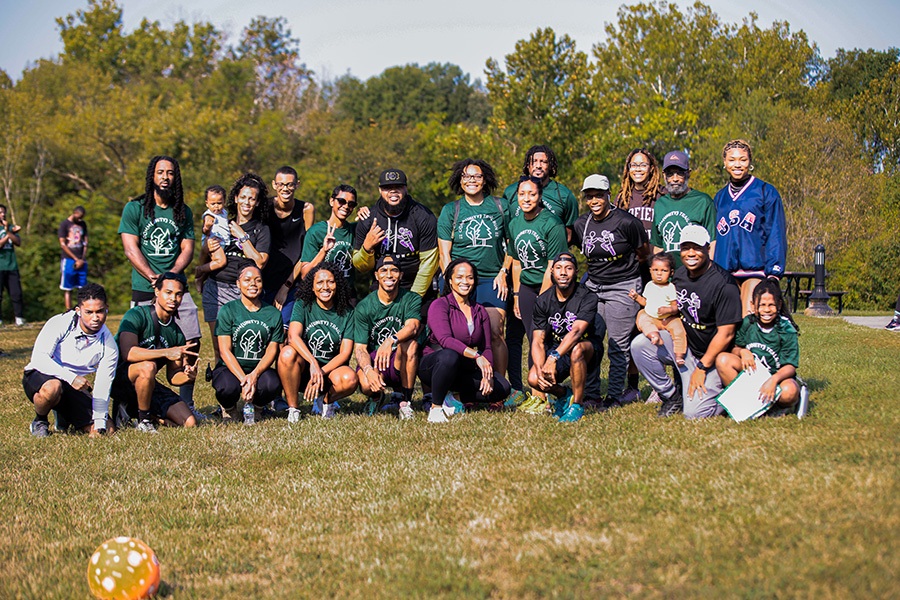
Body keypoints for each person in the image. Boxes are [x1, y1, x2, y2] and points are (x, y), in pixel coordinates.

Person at [118, 155, 203, 417]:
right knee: (140, 345)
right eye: (160, 172)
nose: (165, 177)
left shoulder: (183, 211)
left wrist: (171, 276)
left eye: (170, 173)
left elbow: (187, 248)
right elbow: (130, 248)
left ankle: (185, 400)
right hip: (145, 285)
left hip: (176, 284)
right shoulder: (135, 208)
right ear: (151, 177)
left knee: (191, 338)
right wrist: (153, 276)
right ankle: (131, 401)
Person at [630, 225, 742, 419]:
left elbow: (727, 334)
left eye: (697, 247)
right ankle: (672, 396)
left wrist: (702, 367)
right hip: (685, 349)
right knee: (640, 345)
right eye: (686, 247)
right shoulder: (679, 276)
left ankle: (728, 392)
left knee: (695, 414)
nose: (691, 253)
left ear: (708, 249)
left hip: (712, 358)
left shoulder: (724, 284)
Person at [571, 174, 649, 409]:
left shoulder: (626, 222)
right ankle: (592, 393)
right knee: (592, 340)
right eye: (589, 196)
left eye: (598, 195)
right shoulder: (581, 224)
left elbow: (643, 252)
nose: (594, 200)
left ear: (608, 195)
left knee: (618, 343)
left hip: (623, 286)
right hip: (593, 286)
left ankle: (614, 395)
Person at [438, 159, 510, 380]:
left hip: (491, 278)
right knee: (458, 335)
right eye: (467, 176)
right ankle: (462, 386)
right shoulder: (452, 210)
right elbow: (444, 254)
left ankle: (499, 387)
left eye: (477, 176)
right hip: (460, 281)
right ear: (460, 180)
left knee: (496, 331)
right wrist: (453, 284)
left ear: (485, 179)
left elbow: (513, 244)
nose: (472, 181)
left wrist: (503, 272)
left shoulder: (500, 206)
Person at [419, 259, 511, 423]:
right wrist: (477, 356)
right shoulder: (439, 305)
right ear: (450, 280)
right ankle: (436, 408)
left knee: (502, 387)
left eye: (469, 277)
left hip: (463, 367)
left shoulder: (479, 310)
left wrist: (487, 373)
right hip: (435, 364)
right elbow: (445, 340)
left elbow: (487, 347)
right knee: (449, 356)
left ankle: (453, 398)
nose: (465, 282)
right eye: (459, 277)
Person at [22, 283, 117, 438]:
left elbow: (103, 385)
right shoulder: (60, 323)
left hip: (74, 387)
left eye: (100, 311)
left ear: (107, 308)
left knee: (108, 430)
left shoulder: (109, 344)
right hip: (43, 375)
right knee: (53, 387)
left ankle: (64, 416)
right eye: (89, 312)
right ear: (78, 311)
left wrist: (100, 424)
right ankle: (40, 421)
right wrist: (70, 377)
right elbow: (39, 359)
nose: (95, 318)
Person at [111, 272, 200, 433]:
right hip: (118, 379)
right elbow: (128, 353)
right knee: (148, 366)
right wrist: (166, 353)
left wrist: (188, 376)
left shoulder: (177, 333)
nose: (173, 298)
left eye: (178, 294)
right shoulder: (137, 315)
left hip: (147, 382)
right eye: (168, 292)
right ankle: (144, 420)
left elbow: (173, 376)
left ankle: (135, 410)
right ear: (157, 292)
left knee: (189, 422)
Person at [196, 173, 271, 362]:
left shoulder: (261, 229)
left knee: (240, 345)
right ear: (236, 198)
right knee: (218, 346)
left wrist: (242, 236)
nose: (247, 202)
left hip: (243, 293)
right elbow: (205, 251)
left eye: (252, 198)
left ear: (257, 202)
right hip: (215, 288)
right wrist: (204, 258)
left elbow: (260, 261)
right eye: (243, 197)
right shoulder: (222, 222)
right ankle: (223, 385)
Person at [508, 176, 569, 401]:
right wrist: (516, 294)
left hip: (549, 287)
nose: (527, 198)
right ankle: (538, 394)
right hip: (525, 286)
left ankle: (546, 391)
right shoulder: (514, 224)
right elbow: (516, 261)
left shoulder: (552, 223)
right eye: (522, 194)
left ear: (540, 196)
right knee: (531, 338)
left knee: (541, 338)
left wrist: (543, 300)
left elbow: (553, 266)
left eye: (532, 194)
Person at [713, 139, 788, 316]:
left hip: (754, 269)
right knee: (728, 323)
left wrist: (774, 271)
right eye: (732, 160)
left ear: (750, 162)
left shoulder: (765, 191)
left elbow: (775, 232)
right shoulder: (720, 197)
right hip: (725, 271)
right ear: (724, 163)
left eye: (743, 160)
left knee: (748, 317)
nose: (737, 164)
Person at [526, 252, 602, 423]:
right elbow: (537, 339)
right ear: (552, 272)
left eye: (568, 268)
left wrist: (553, 358)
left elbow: (576, 332)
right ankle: (563, 395)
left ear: (576, 272)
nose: (563, 273)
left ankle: (577, 405)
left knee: (576, 349)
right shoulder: (543, 300)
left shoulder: (587, 296)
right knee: (533, 378)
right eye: (559, 268)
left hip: (587, 347)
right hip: (558, 348)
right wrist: (540, 369)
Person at [278, 262, 357, 422]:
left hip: (330, 371)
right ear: (312, 287)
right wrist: (313, 363)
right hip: (304, 369)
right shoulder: (303, 304)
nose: (325, 287)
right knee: (287, 353)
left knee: (350, 378)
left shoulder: (347, 312)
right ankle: (294, 409)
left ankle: (325, 401)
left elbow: (345, 353)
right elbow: (293, 337)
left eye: (330, 281)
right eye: (319, 283)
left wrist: (321, 372)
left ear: (338, 284)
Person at [716, 279, 803, 415]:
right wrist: (743, 351)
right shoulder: (748, 323)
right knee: (723, 359)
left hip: (776, 377)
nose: (766, 310)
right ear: (753, 305)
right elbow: (734, 348)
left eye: (771, 305)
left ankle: (776, 408)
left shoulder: (786, 328)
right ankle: (745, 403)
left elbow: (790, 367)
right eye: (762, 305)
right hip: (751, 375)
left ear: (779, 305)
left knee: (789, 391)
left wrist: (773, 380)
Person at [211, 265, 284, 425]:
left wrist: (254, 375)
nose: (253, 284)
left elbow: (272, 350)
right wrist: (244, 379)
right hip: (230, 368)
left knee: (273, 384)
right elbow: (224, 350)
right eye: (247, 280)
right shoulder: (227, 310)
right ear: (238, 284)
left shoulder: (273, 313)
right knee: (227, 388)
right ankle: (229, 409)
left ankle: (258, 408)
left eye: (258, 280)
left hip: (258, 368)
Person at [353, 256, 421, 419]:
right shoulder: (364, 306)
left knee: (410, 345)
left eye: (394, 270)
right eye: (383, 270)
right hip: (378, 360)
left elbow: (412, 327)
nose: (389, 275)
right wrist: (368, 370)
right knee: (365, 383)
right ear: (376, 275)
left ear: (401, 275)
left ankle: (406, 402)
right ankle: (376, 397)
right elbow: (360, 348)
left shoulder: (411, 298)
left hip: (401, 358)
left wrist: (390, 341)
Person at [352, 169, 438, 298]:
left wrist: (413, 298)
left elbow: (428, 264)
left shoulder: (424, 216)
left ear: (406, 189)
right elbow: (361, 267)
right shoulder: (368, 218)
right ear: (380, 190)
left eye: (398, 186)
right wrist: (367, 248)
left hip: (417, 286)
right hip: (381, 286)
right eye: (387, 188)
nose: (393, 191)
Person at [650, 151, 716, 269]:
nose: (675, 179)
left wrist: (708, 274)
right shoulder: (660, 204)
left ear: (688, 174)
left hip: (695, 275)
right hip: (668, 278)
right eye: (670, 174)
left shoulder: (703, 201)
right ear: (664, 175)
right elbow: (658, 246)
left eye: (680, 173)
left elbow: (712, 242)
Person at [297, 184, 359, 309]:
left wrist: (365, 212)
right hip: (322, 296)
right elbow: (305, 274)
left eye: (351, 204)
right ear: (332, 201)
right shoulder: (316, 231)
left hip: (347, 296)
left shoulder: (355, 229)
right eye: (341, 201)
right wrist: (324, 251)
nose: (346, 206)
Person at [501, 145, 579, 240]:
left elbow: (569, 234)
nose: (538, 166)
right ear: (527, 165)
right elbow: (506, 232)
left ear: (550, 165)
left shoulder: (564, 195)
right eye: (534, 162)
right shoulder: (510, 192)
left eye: (543, 162)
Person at [263, 166, 314, 311]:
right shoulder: (264, 207)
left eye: (290, 184)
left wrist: (286, 286)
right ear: (274, 185)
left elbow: (307, 251)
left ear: (297, 184)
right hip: (265, 279)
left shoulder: (306, 209)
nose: (285, 189)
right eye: (281, 184)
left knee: (286, 330)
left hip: (292, 281)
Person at [629, 252, 687, 366]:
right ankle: (653, 335)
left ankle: (679, 354)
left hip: (668, 319)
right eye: (655, 270)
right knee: (642, 316)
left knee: (679, 330)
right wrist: (636, 297)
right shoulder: (649, 285)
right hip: (652, 317)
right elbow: (645, 302)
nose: (659, 274)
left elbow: (676, 307)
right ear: (650, 270)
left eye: (664, 271)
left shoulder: (670, 288)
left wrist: (669, 310)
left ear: (671, 273)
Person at [195, 185, 229, 292]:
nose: (216, 207)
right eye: (213, 204)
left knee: (211, 267)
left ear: (224, 202)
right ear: (207, 203)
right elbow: (205, 230)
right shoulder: (209, 215)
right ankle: (199, 269)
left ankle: (200, 279)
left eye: (219, 203)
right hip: (214, 242)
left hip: (222, 243)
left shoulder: (224, 213)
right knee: (221, 262)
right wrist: (207, 227)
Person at [58, 205, 89, 310]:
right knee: (68, 287)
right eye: (79, 216)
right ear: (74, 213)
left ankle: (83, 308)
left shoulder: (83, 224)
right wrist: (76, 259)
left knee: (83, 287)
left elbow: (85, 242)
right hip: (69, 259)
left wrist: (82, 259)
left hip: (82, 260)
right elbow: (63, 244)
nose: (80, 219)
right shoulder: (64, 224)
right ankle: (68, 310)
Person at [0, 203, 25, 326]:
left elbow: (18, 242)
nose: (2, 214)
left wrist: (8, 231)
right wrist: (7, 233)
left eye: (4, 212)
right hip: (0, 266)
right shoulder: (8, 229)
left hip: (12, 266)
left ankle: (19, 319)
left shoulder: (10, 228)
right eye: (0, 212)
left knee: (16, 293)